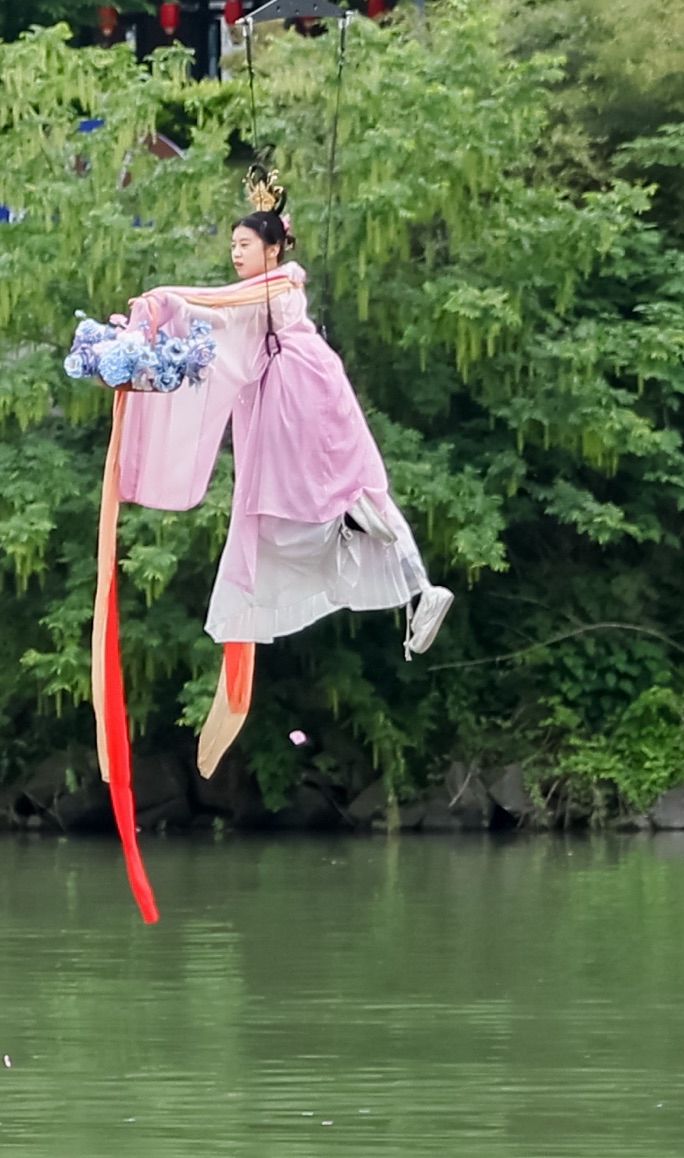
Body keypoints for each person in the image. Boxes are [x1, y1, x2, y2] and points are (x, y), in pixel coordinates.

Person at [118, 207, 454, 773]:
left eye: (245, 242)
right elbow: (225, 310)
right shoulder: (275, 290)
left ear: (272, 248)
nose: (236, 252)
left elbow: (218, 303)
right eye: (233, 243)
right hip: (303, 388)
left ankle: (376, 548)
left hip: (294, 394)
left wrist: (166, 300)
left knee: (282, 513)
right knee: (326, 498)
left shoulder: (274, 285)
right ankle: (406, 573)